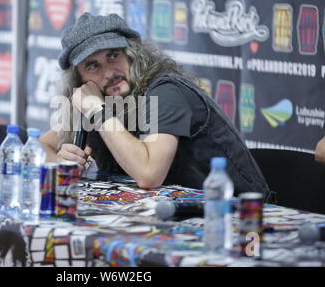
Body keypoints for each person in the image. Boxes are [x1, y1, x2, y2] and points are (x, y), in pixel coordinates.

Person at [40, 12, 274, 202]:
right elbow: (40, 147)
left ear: (133, 55)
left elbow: (149, 174)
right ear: (80, 79)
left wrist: (97, 111)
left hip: (239, 217)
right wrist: (62, 164)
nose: (109, 73)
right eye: (93, 66)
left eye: (113, 56)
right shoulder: (105, 97)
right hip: (173, 216)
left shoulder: (165, 90)